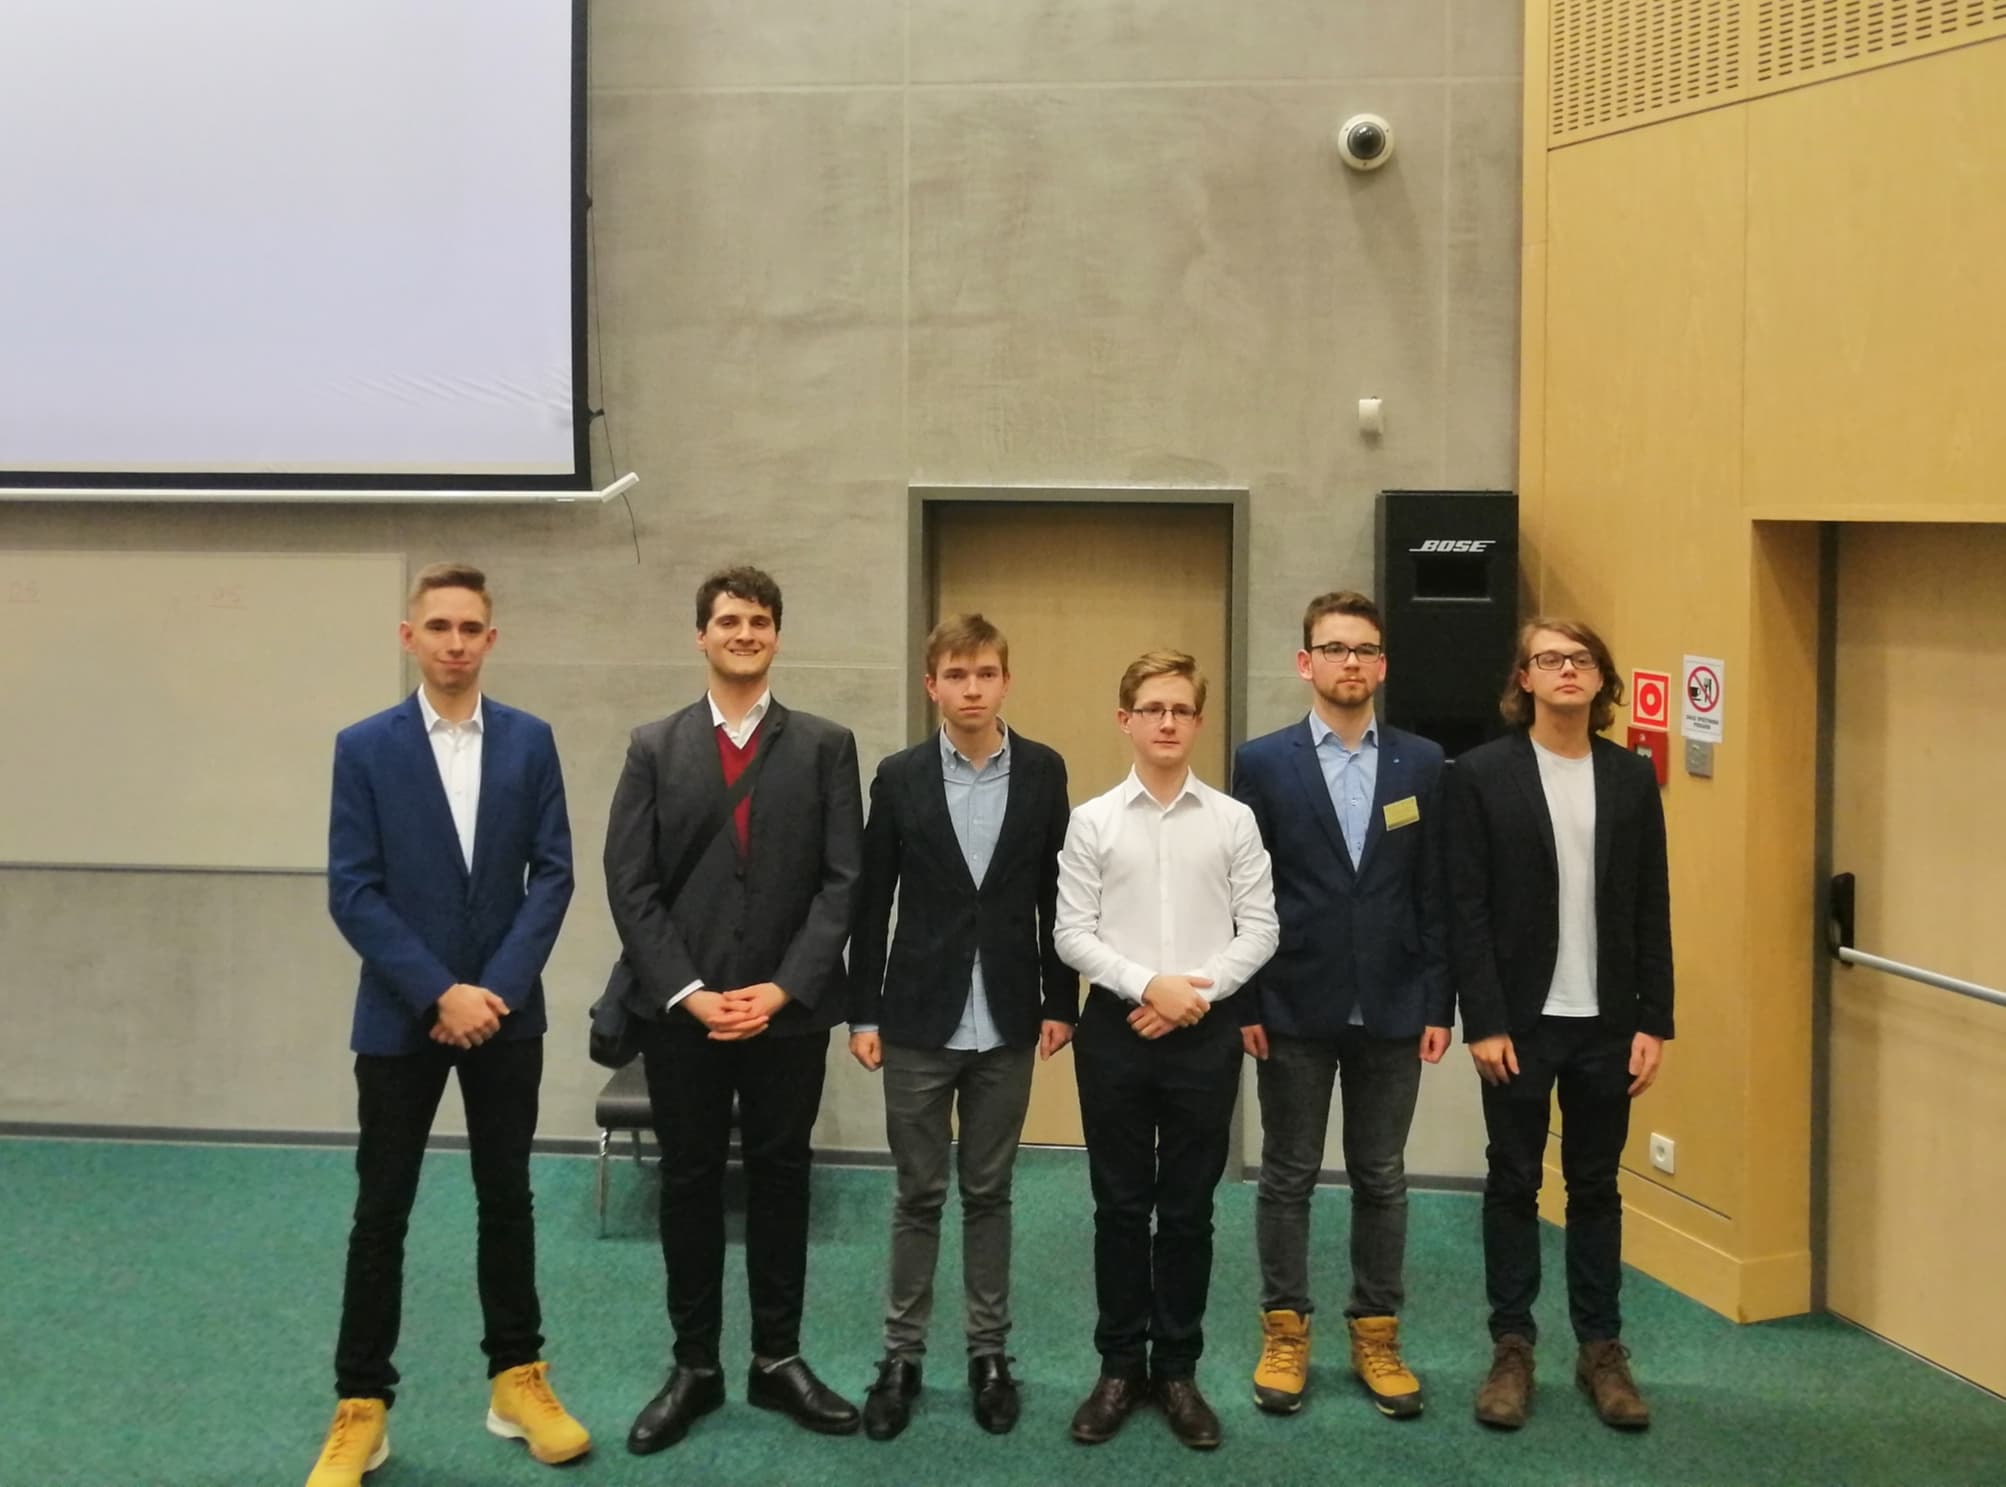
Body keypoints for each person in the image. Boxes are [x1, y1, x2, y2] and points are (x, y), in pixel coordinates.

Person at [309, 562, 587, 1487]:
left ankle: (517, 1380)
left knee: (507, 1196)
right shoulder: (365, 747)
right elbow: (353, 889)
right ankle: (362, 1406)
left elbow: (553, 874)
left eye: (470, 628)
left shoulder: (530, 741)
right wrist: (439, 993)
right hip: (401, 1016)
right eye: (439, 626)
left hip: (506, 1014)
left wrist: (491, 991)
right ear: (410, 636)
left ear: (490, 639)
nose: (455, 642)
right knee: (380, 1211)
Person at [604, 564, 865, 1453]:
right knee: (688, 1181)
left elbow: (843, 883)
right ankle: (696, 1366)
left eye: (758, 620)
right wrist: (690, 993)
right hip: (683, 1016)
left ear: (777, 635)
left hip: (787, 1014)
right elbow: (630, 883)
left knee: (784, 1177)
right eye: (728, 621)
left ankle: (776, 1358)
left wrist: (785, 986)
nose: (744, 633)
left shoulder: (826, 745)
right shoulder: (653, 746)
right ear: (702, 636)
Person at [846, 614, 1075, 1441]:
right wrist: (862, 1009)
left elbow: (1057, 894)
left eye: (985, 673)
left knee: (989, 1192)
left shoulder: (1044, 771)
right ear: (931, 684)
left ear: (1005, 680)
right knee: (917, 1193)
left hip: (1008, 1019)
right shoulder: (899, 776)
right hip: (915, 1018)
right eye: (956, 674)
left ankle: (988, 1354)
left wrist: (1061, 1000)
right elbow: (871, 901)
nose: (971, 688)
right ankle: (901, 1357)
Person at [1445, 618, 1674, 1432]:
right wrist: (1483, 1018)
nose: (1566, 670)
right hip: (1518, 1023)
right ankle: (1512, 1347)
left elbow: (1651, 902)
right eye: (1549, 659)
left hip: (1608, 1022)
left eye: (1581, 659)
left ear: (1601, 678)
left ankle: (1601, 1349)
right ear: (1525, 678)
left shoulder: (1630, 777)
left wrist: (1655, 1019)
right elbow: (1466, 907)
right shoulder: (1482, 774)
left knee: (1596, 1186)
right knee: (1513, 1181)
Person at [1230, 591, 1450, 1420]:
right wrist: (1246, 998)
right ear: (1305, 662)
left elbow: (1435, 891)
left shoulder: (1423, 764)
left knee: (1382, 1176)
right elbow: (1244, 891)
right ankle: (1285, 1331)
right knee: (1286, 1174)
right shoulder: (1263, 762)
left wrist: (1438, 1000)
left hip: (1394, 1003)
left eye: (1364, 649)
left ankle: (1377, 1332)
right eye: (1333, 648)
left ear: (1382, 665)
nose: (1349, 662)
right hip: (1292, 1000)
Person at [1054, 650, 1278, 1451]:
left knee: (1188, 1210)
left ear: (1199, 721)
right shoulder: (1092, 821)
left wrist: (1194, 993)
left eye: (1181, 709)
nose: (1167, 721)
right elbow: (1072, 932)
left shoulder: (1233, 820)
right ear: (1126, 720)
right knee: (1120, 1207)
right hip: (1115, 1033)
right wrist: (1150, 985)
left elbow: (1262, 927)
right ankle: (1120, 1367)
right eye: (1152, 708)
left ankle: (1177, 1369)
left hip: (1204, 1034)